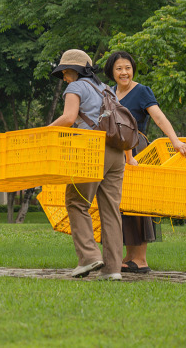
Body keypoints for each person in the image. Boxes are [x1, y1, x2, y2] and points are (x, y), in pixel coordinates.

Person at [50, 49, 135, 281]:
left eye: (65, 73)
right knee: (110, 211)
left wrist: (45, 132)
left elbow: (69, 118)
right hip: (117, 153)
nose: (64, 78)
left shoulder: (75, 87)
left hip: (91, 150)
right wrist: (129, 156)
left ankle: (89, 257)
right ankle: (112, 269)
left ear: (72, 71)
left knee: (76, 201)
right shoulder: (107, 89)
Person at [104, 51, 186, 274]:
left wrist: (176, 142)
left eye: (128, 68)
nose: (124, 72)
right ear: (112, 72)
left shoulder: (141, 91)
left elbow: (159, 117)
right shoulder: (108, 93)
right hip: (115, 150)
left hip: (136, 148)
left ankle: (140, 258)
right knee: (123, 203)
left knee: (138, 203)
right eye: (119, 68)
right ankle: (130, 256)